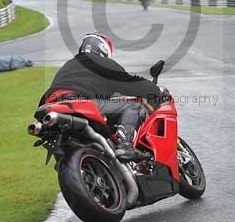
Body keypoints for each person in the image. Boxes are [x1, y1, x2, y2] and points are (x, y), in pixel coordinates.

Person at [39, 32, 164, 160]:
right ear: (103, 49)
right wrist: (156, 91)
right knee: (133, 106)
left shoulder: (67, 66)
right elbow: (131, 84)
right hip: (77, 101)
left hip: (50, 107)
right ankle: (126, 145)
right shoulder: (101, 62)